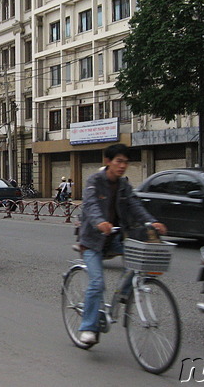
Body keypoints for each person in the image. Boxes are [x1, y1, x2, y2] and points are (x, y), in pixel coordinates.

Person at [76, 144, 166, 346]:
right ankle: (88, 327)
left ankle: (124, 293)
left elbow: (135, 205)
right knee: (97, 283)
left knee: (138, 260)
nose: (122, 166)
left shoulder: (124, 185)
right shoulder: (95, 181)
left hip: (116, 238)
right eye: (119, 161)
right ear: (108, 162)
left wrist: (152, 222)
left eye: (126, 162)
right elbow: (89, 205)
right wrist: (100, 222)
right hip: (92, 241)